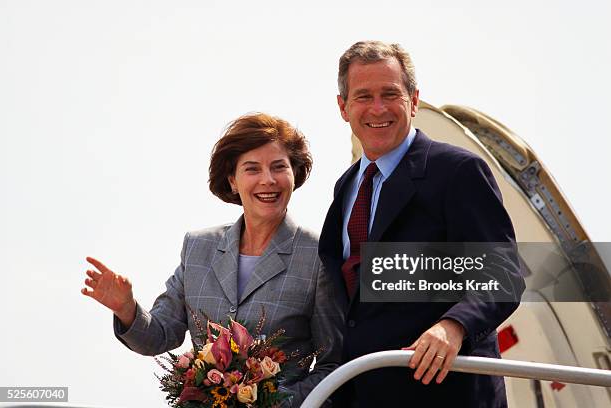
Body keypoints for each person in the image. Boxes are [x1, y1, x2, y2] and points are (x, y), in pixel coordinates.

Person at [82, 112, 343, 406]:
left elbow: (332, 367)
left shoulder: (319, 255)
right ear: (233, 180)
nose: (268, 180)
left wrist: (276, 403)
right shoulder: (198, 247)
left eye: (279, 167)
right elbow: (160, 335)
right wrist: (127, 309)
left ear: (294, 174)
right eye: (252, 169)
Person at [318, 41, 525, 407]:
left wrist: (454, 325)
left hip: (448, 396)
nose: (378, 108)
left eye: (390, 94)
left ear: (413, 100)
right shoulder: (345, 188)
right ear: (343, 107)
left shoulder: (458, 172)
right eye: (363, 96)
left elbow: (503, 272)